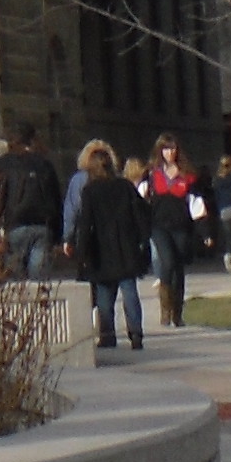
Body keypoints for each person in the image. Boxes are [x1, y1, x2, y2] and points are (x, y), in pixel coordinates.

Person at [64, 140, 153, 351]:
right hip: (126, 246)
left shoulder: (90, 191)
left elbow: (85, 224)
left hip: (101, 250)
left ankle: (108, 334)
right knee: (129, 291)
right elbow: (140, 214)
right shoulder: (125, 186)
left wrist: (82, 254)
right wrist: (143, 240)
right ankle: (136, 333)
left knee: (105, 296)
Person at [142, 135, 203, 328]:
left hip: (181, 226)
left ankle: (178, 312)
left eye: (173, 149)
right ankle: (165, 312)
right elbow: (140, 199)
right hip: (159, 226)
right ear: (160, 151)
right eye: (166, 149)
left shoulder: (187, 175)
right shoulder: (152, 175)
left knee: (178, 266)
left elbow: (196, 204)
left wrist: (205, 231)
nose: (170, 153)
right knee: (167, 262)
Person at [0, 127, 61, 283]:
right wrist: (58, 234)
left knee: (16, 282)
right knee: (39, 280)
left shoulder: (5, 164)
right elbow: (56, 199)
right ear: (33, 140)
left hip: (15, 224)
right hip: (42, 226)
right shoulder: (45, 165)